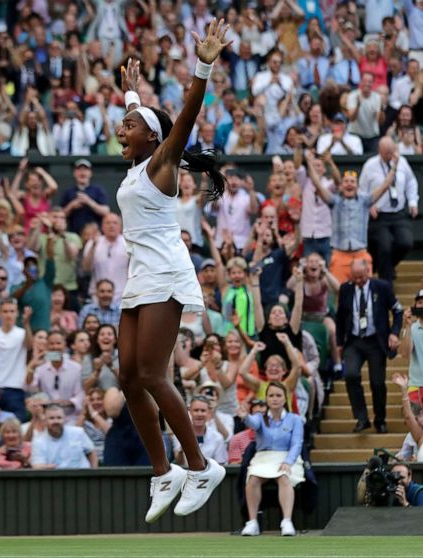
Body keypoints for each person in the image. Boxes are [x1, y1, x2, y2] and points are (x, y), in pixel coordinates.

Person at [113, 21, 230, 523]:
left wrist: (203, 65)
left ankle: (202, 466)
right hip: (141, 275)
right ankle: (164, 473)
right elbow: (145, 122)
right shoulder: (140, 164)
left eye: (130, 125)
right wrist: (132, 95)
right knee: (126, 378)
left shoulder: (163, 162)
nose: (122, 128)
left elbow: (182, 117)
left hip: (165, 274)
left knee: (151, 374)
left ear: (154, 138)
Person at [336, 259, 402, 433]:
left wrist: (394, 333)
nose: (357, 281)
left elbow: (397, 310)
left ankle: (380, 419)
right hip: (354, 340)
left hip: (376, 340)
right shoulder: (346, 289)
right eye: (354, 277)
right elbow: (340, 317)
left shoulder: (382, 286)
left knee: (378, 382)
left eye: (360, 277)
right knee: (350, 374)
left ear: (368, 272)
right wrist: (339, 343)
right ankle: (362, 418)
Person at [238, 382, 305, 537]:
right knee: (253, 479)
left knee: (283, 477)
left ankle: (287, 521)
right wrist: (245, 417)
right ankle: (252, 522)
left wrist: (288, 461)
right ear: (266, 399)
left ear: (285, 398)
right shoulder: (260, 418)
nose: (275, 399)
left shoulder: (295, 419)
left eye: (278, 395)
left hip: (286, 456)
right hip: (263, 458)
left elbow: (297, 443)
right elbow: (252, 423)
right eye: (271, 395)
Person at [358, 137, 418, 284]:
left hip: (398, 212)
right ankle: (387, 283)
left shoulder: (402, 162)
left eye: (392, 152)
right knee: (384, 247)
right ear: (380, 151)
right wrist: (369, 205)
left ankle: (388, 268)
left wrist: (412, 201)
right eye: (386, 153)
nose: (390, 156)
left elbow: (411, 182)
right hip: (379, 214)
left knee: (406, 242)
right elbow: (362, 189)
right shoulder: (370, 165)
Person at [30, 404, 97, 469]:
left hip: (82, 477)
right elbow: (37, 466)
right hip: (56, 478)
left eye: (59, 418)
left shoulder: (78, 432)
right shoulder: (38, 441)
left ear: (65, 419)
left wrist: (94, 474)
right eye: (51, 418)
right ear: (45, 420)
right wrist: (48, 467)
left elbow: (91, 452)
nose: (56, 421)